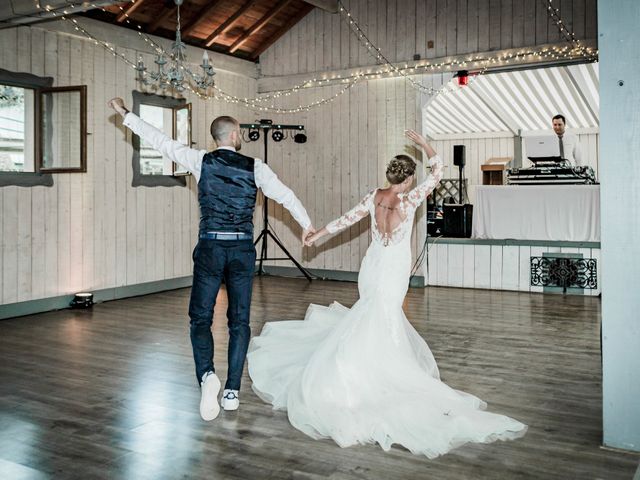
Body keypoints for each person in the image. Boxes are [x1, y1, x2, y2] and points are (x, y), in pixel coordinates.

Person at [247, 129, 527, 458]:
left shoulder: (373, 197)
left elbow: (344, 221)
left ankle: (358, 366)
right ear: (407, 180)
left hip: (372, 265)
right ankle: (382, 373)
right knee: (386, 318)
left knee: (372, 314)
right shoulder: (409, 198)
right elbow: (438, 171)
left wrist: (316, 234)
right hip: (392, 268)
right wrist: (423, 143)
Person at [107, 98, 315, 421]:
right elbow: (286, 195)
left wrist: (126, 115)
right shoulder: (255, 166)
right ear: (233, 136)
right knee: (239, 321)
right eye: (239, 134)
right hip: (243, 249)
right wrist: (306, 225)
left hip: (210, 248)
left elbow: (161, 142)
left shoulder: (200, 160)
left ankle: (207, 375)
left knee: (200, 319)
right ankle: (231, 390)